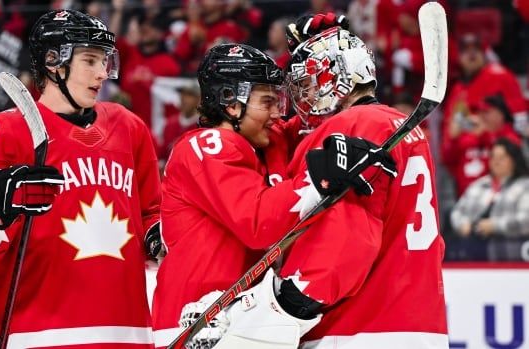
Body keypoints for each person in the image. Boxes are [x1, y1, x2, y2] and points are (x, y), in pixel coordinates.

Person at [184, 27, 448, 349]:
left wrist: (287, 305)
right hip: (421, 322)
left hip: (358, 326)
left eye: (309, 84)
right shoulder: (403, 127)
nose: (303, 99)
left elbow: (347, 233)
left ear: (334, 77)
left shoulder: (348, 127)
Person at [153, 42, 396, 349]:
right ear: (231, 102)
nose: (277, 114)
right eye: (267, 102)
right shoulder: (204, 146)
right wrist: (319, 175)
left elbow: (313, 119)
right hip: (196, 327)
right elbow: (257, 223)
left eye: (279, 101)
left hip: (248, 325)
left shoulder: (265, 141)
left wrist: (327, 48)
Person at [0, 9, 161, 348]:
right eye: (91, 61)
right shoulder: (4, 131)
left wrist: (160, 238)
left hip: (128, 333)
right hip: (37, 335)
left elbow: (152, 212)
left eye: (105, 61)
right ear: (53, 61)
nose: (102, 74)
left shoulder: (129, 127)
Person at [450, 137, 529, 260]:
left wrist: (494, 225)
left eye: (502, 158)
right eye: (493, 157)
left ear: (514, 160)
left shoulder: (525, 186)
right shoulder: (479, 184)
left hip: (511, 251)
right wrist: (463, 224)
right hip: (473, 248)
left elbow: (526, 220)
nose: (496, 162)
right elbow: (457, 211)